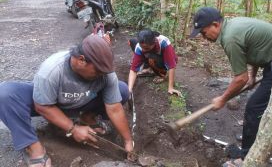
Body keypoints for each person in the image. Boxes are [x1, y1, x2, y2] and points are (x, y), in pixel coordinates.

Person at [190, 7, 272, 166]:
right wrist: (252, 76)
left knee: (254, 107)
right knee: (260, 105)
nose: (204, 37)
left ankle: (245, 158)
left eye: (203, 33)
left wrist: (223, 99)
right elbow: (254, 50)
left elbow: (240, 79)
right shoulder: (232, 26)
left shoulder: (230, 38)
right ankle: (256, 138)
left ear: (215, 25)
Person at [0, 35, 134, 167]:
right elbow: (42, 106)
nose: (102, 75)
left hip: (81, 102)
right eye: (98, 72)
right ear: (81, 60)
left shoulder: (105, 73)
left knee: (121, 90)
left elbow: (114, 108)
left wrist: (128, 141)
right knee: (5, 94)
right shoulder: (52, 70)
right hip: (48, 104)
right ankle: (33, 147)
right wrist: (73, 129)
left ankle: (87, 118)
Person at [128, 29, 182, 96]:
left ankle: (162, 74)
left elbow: (171, 66)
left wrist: (170, 88)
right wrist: (129, 89)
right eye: (142, 47)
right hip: (153, 56)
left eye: (146, 48)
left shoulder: (164, 42)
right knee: (133, 42)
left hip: (166, 60)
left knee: (150, 57)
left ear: (154, 42)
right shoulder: (140, 47)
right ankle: (150, 69)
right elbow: (133, 70)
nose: (143, 49)